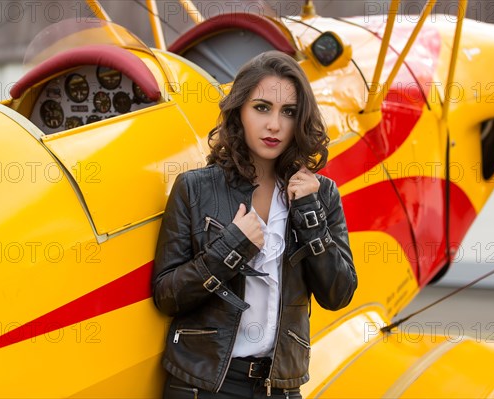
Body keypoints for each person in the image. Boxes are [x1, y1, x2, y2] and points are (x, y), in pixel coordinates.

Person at [151, 51, 357, 399]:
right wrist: (232, 246)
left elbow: (338, 295)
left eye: (288, 112)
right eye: (261, 108)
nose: (274, 125)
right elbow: (167, 295)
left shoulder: (321, 195)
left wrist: (310, 216)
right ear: (239, 113)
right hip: (203, 385)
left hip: (280, 386)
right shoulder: (195, 188)